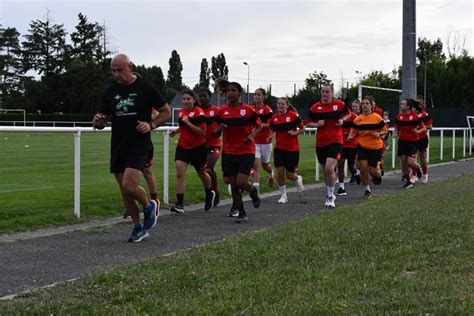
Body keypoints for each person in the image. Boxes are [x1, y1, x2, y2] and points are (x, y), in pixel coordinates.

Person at [93, 53, 171, 242]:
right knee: (124, 191)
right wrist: (98, 122)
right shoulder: (110, 92)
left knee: (129, 186)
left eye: (120, 70)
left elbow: (166, 112)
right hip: (118, 144)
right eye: (113, 71)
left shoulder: (146, 88)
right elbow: (103, 117)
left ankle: (148, 206)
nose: (117, 74)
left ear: (130, 67)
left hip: (139, 143)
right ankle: (138, 227)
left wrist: (151, 125)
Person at [213, 78, 262, 223]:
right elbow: (214, 133)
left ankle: (252, 190)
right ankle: (241, 212)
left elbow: (259, 126)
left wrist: (251, 135)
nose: (230, 93)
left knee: (241, 183)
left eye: (233, 90)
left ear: (240, 93)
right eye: (228, 90)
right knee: (232, 184)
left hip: (246, 151)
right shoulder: (221, 112)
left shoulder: (248, 110)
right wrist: (219, 129)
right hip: (229, 152)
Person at [169, 90, 216, 213]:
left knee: (201, 173)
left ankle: (209, 192)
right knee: (179, 173)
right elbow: (183, 127)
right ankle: (180, 204)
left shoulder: (199, 113)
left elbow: (202, 132)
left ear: (194, 100)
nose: (186, 101)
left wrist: (188, 123)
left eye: (188, 99)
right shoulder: (181, 112)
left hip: (198, 148)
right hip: (183, 146)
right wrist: (176, 131)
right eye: (184, 99)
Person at [306, 84, 350, 208]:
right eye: (323, 91)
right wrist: (317, 124)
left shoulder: (339, 104)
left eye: (327, 91)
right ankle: (330, 191)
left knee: (329, 169)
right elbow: (308, 122)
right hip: (321, 142)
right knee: (326, 171)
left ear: (332, 92)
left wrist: (342, 120)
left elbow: (348, 114)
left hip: (336, 140)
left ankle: (330, 197)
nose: (325, 94)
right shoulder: (315, 107)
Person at [347, 97, 387, 198]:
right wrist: (350, 136)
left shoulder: (377, 118)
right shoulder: (357, 119)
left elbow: (385, 130)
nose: (364, 105)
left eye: (367, 104)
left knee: (373, 171)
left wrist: (379, 133)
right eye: (363, 104)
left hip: (375, 147)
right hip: (362, 147)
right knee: (363, 168)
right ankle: (367, 190)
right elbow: (353, 131)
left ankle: (378, 173)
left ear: (371, 106)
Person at [269, 97, 305, 203]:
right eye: (279, 103)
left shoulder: (293, 116)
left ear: (287, 106)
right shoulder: (274, 117)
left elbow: (302, 128)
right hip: (279, 148)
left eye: (283, 104)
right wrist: (270, 136)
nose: (280, 105)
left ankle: (297, 178)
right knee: (279, 172)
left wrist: (295, 133)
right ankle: (283, 196)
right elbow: (272, 129)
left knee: (290, 175)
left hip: (292, 149)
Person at [393, 98, 425, 189]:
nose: (401, 105)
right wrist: (395, 134)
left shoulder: (415, 116)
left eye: (403, 104)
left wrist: (417, 131)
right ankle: (408, 181)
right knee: (403, 160)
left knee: (410, 162)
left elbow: (424, 128)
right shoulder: (399, 117)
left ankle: (417, 167)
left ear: (408, 106)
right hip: (402, 141)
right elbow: (396, 128)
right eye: (401, 104)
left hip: (413, 142)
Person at [198, 88, 222, 206]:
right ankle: (210, 192)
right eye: (200, 96)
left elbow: (223, 124)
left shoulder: (216, 111)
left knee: (208, 168)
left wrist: (218, 130)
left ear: (209, 97)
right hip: (200, 145)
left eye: (205, 96)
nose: (202, 98)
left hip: (214, 144)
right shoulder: (197, 111)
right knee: (204, 170)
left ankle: (215, 191)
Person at [252, 88, 275, 192]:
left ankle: (271, 174)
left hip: (265, 141)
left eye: (259, 94)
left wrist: (260, 125)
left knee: (265, 165)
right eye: (255, 94)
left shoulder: (267, 109)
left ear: (263, 96)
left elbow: (271, 124)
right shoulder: (251, 109)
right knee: (256, 165)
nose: (256, 96)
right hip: (254, 141)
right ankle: (256, 190)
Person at [336, 100, 360, 195]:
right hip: (341, 144)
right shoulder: (340, 117)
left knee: (351, 166)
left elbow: (360, 130)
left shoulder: (355, 117)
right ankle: (342, 188)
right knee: (340, 165)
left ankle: (356, 173)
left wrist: (352, 135)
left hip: (352, 145)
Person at [413, 98, 432, 183]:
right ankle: (414, 175)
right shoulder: (412, 115)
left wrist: (420, 127)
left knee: (422, 158)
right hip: (413, 138)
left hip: (422, 138)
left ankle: (425, 174)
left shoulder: (425, 115)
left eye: (418, 104)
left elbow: (430, 126)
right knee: (413, 158)